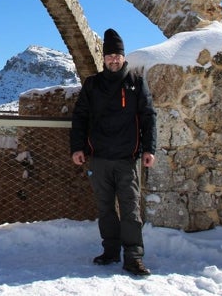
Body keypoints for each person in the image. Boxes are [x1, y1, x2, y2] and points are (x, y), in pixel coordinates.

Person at [69, 28, 157, 276]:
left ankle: (133, 257)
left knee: (130, 210)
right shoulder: (93, 84)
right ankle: (110, 251)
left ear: (123, 56)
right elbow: (80, 117)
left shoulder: (136, 83)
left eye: (117, 55)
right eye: (109, 56)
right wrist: (77, 148)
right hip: (99, 158)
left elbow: (148, 117)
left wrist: (149, 148)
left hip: (127, 158)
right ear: (104, 58)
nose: (114, 59)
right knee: (105, 208)